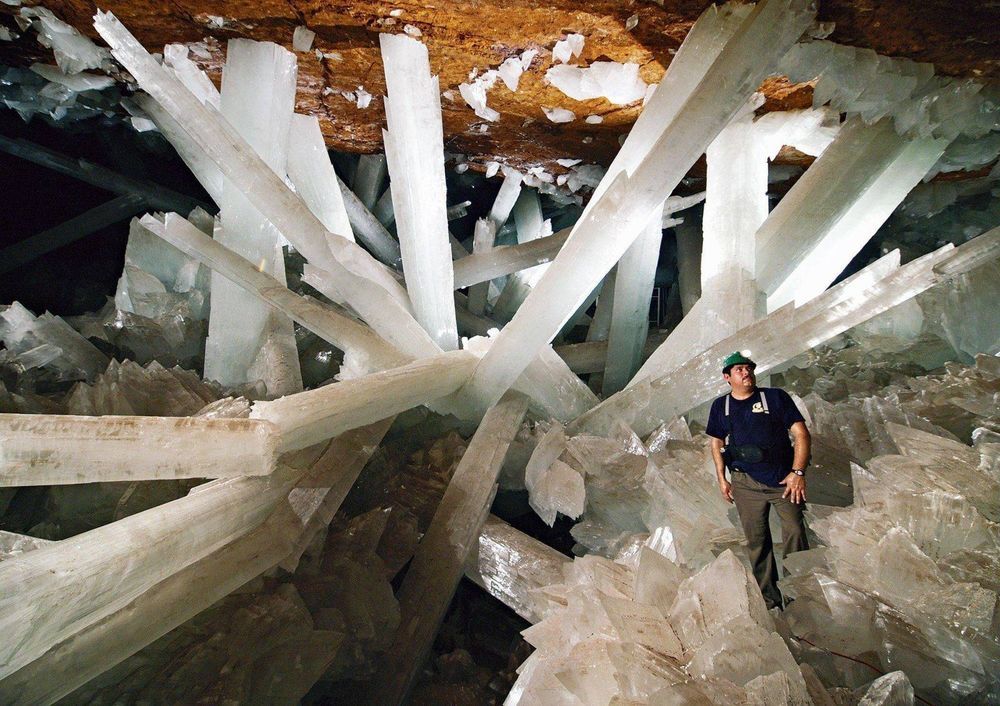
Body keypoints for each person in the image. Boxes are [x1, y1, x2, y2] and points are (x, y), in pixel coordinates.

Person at [706, 351, 811, 610]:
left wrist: (797, 473)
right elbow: (716, 442)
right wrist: (722, 479)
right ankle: (771, 602)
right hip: (745, 483)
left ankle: (799, 599)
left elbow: (801, 434)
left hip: (783, 482)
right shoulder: (721, 406)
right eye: (739, 370)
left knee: (796, 533)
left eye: (748, 368)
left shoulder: (775, 398)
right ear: (727, 377)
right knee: (757, 542)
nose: (746, 373)